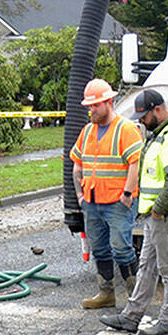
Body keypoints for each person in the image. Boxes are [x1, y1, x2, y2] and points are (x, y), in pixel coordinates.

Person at [100, 89, 168, 335]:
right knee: (147, 266)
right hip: (159, 216)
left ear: (158, 110)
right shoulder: (161, 133)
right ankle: (132, 316)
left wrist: (158, 210)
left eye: (144, 116)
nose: (141, 121)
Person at [66, 78, 142, 309]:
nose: (91, 110)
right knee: (99, 248)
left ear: (109, 102)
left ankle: (135, 298)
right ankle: (106, 293)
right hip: (92, 201)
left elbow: (134, 164)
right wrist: (80, 195)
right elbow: (77, 164)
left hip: (118, 203)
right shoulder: (88, 131)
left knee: (122, 248)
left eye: (95, 105)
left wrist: (128, 194)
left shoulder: (125, 129)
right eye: (89, 106)